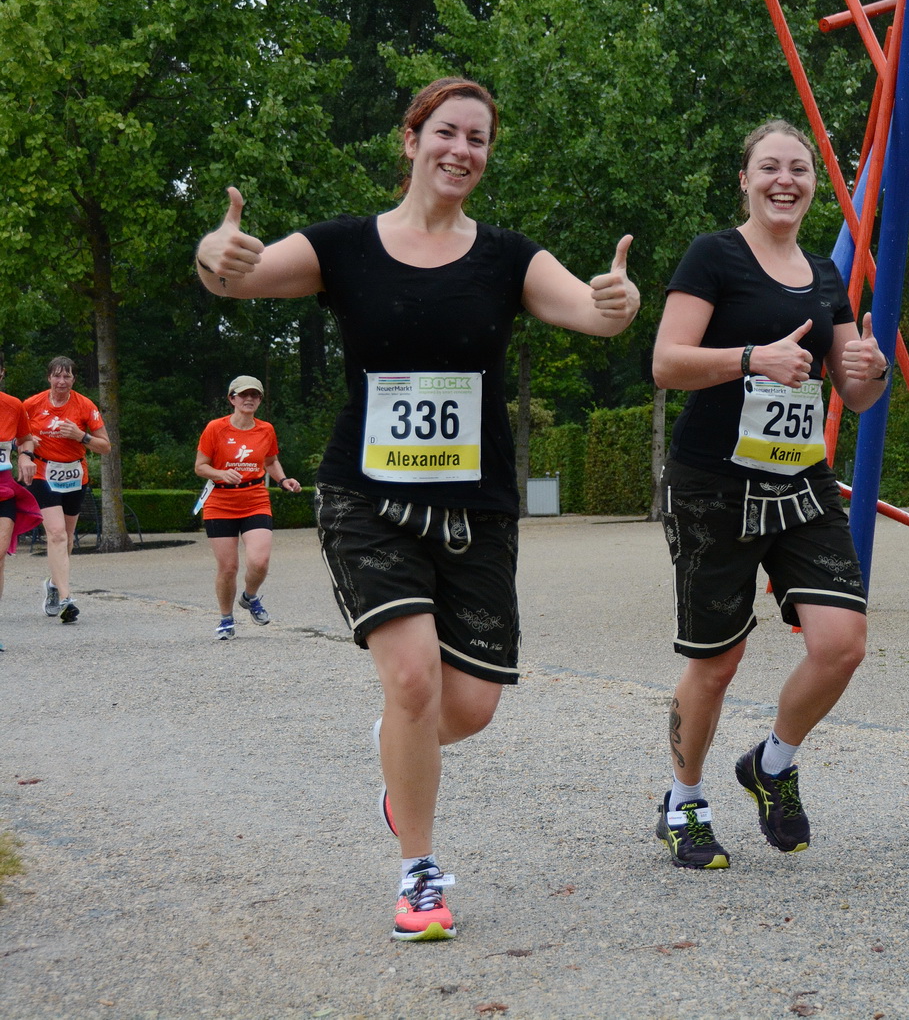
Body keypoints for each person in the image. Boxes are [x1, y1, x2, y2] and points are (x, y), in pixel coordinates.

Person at [194, 76, 639, 941]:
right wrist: (218, 250)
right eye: (446, 132)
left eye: (478, 139)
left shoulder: (509, 258)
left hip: (476, 508)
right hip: (368, 500)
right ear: (411, 140)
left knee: (466, 706)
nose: (461, 150)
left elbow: (591, 311)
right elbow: (232, 277)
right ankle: (420, 875)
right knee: (410, 677)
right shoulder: (344, 247)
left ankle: (401, 750)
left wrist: (614, 305)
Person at [650, 119, 889, 870]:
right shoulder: (714, 255)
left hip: (799, 476)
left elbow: (853, 387)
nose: (785, 180)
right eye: (769, 168)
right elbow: (667, 362)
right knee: (717, 662)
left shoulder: (825, 275)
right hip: (713, 481)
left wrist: (870, 368)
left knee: (841, 643)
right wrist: (750, 357)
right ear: (745, 179)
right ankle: (683, 801)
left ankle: (772, 764)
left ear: (816, 183)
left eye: (799, 169)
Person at [194, 375, 302, 640]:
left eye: (255, 395)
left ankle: (250, 597)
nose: (249, 399)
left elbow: (271, 461)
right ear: (232, 399)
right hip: (220, 502)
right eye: (243, 395)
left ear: (260, 400)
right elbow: (200, 466)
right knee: (228, 567)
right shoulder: (215, 429)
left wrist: (284, 479)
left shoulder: (266, 430)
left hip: (255, 498)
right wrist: (220, 474)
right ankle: (226, 620)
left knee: (260, 562)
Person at [23, 357, 112, 624]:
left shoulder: (85, 405)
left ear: (74, 380)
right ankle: (65, 598)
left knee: (69, 538)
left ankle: (52, 584)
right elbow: (13, 436)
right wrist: (26, 442)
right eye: (57, 376)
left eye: (67, 377)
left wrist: (81, 436)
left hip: (75, 475)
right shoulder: (31, 405)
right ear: (49, 377)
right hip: (43, 474)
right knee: (57, 534)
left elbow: (105, 446)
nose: (62, 381)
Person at [0, 355, 45, 649]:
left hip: (3, 490)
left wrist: (25, 455)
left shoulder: (13, 405)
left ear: (1, 372)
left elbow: (26, 439)